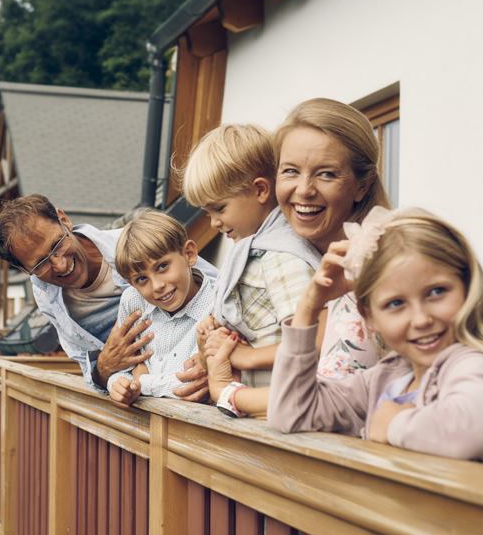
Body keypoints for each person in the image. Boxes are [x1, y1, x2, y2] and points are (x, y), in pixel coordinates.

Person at [253, 207, 483, 471]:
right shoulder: (384, 379)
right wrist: (308, 308)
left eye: (437, 292)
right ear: (370, 317)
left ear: (466, 286)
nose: (421, 319)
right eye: (396, 304)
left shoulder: (468, 360)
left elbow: (474, 431)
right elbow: (291, 413)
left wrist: (391, 424)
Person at [205, 98, 392, 418]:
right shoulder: (280, 259)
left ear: (362, 185)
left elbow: (324, 398)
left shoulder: (374, 266)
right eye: (290, 171)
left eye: (327, 174)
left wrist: (227, 390)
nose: (304, 190)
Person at [0, 195, 215, 398]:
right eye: (41, 263)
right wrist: (104, 369)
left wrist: (212, 361)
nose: (59, 264)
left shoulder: (135, 247)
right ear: (24, 270)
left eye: (57, 244)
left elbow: (221, 292)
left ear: (63, 219)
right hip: (144, 405)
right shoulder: (46, 294)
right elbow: (87, 364)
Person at [182, 124, 319, 387]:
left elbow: (306, 342)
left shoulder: (282, 257)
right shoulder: (251, 253)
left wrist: (244, 355)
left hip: (278, 403)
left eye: (219, 209)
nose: (214, 223)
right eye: (207, 213)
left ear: (260, 190)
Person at [105, 209, 217, 405]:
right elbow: (121, 368)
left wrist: (141, 381)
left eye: (162, 267)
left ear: (189, 254)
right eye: (141, 279)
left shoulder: (218, 303)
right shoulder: (133, 302)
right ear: (131, 284)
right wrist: (119, 385)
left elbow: (191, 386)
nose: (157, 286)